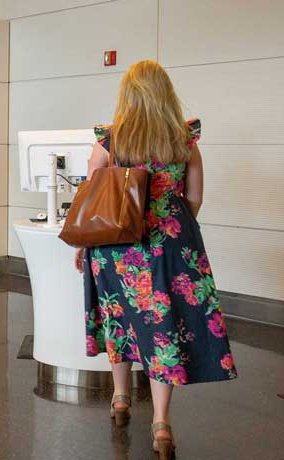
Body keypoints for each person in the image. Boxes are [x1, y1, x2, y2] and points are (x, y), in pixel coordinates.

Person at [75, 60, 237, 460]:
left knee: (120, 318)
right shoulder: (184, 140)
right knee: (165, 327)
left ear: (127, 96)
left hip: (117, 248)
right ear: (166, 93)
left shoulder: (110, 141)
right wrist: (171, 225)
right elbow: (195, 197)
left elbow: (92, 200)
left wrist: (83, 245)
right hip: (171, 247)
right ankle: (161, 423)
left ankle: (119, 397)